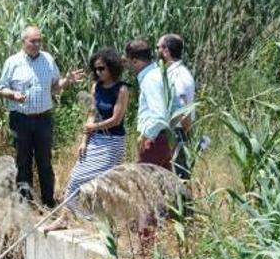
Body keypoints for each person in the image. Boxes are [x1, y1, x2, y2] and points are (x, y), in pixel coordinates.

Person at [0, 26, 85, 207]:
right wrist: (13, 95)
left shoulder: (48, 60)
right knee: (23, 162)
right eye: (33, 41)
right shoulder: (13, 62)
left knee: (45, 161)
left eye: (39, 41)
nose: (37, 44)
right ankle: (25, 204)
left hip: (44, 119)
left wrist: (66, 81)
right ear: (24, 42)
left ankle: (48, 203)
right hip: (20, 119)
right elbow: (1, 88)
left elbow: (55, 86)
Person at [44, 47, 129, 231]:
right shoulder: (95, 87)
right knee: (76, 177)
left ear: (112, 68)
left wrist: (95, 127)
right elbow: (91, 114)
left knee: (99, 181)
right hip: (95, 140)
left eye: (102, 69)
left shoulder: (121, 90)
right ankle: (68, 218)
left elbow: (116, 120)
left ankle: (102, 221)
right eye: (96, 69)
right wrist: (84, 140)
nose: (98, 72)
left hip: (112, 142)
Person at [124, 39, 174, 170]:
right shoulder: (157, 73)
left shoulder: (150, 79)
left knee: (140, 185)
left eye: (128, 61)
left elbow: (159, 116)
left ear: (135, 61)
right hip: (164, 138)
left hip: (155, 140)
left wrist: (146, 138)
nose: (127, 65)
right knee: (164, 189)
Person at [157, 33, 196, 180]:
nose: (157, 51)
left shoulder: (179, 76)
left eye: (158, 47)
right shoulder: (171, 72)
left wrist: (186, 134)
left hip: (176, 132)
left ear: (166, 50)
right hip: (171, 131)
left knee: (180, 178)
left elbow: (182, 110)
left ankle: (184, 203)